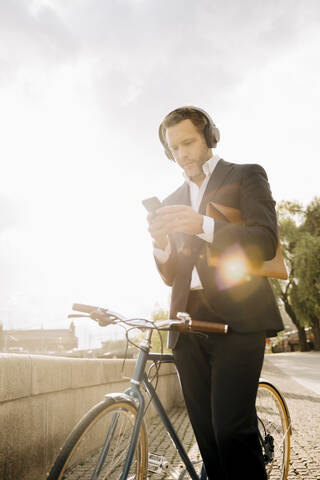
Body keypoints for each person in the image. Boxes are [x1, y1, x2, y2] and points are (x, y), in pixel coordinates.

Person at [147, 106, 284, 480]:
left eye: (188, 142)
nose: (182, 154)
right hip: (186, 323)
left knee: (232, 433)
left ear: (209, 136)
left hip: (238, 319)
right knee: (207, 438)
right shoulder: (173, 197)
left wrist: (203, 224)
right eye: (174, 148)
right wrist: (161, 246)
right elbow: (171, 272)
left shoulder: (245, 176)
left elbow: (265, 241)